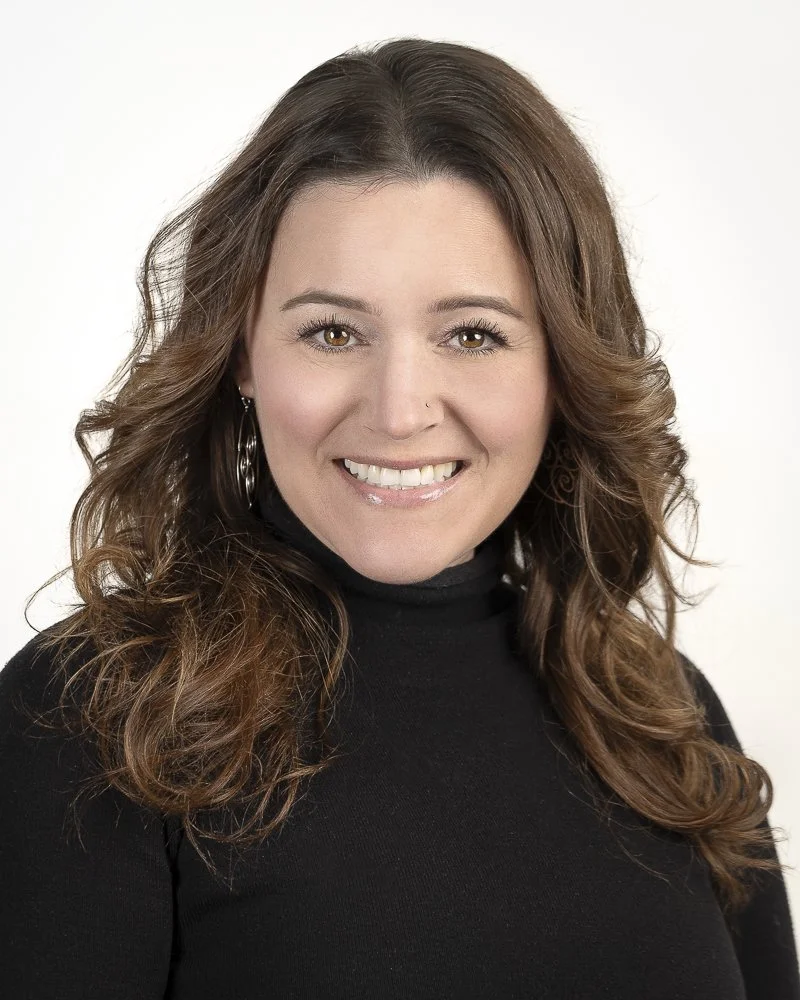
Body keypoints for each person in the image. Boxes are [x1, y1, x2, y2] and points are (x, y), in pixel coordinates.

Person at [1, 36, 797, 1000]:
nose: (399, 407)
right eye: (333, 331)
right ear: (243, 352)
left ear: (561, 369)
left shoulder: (661, 712)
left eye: (473, 334)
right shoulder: (95, 717)